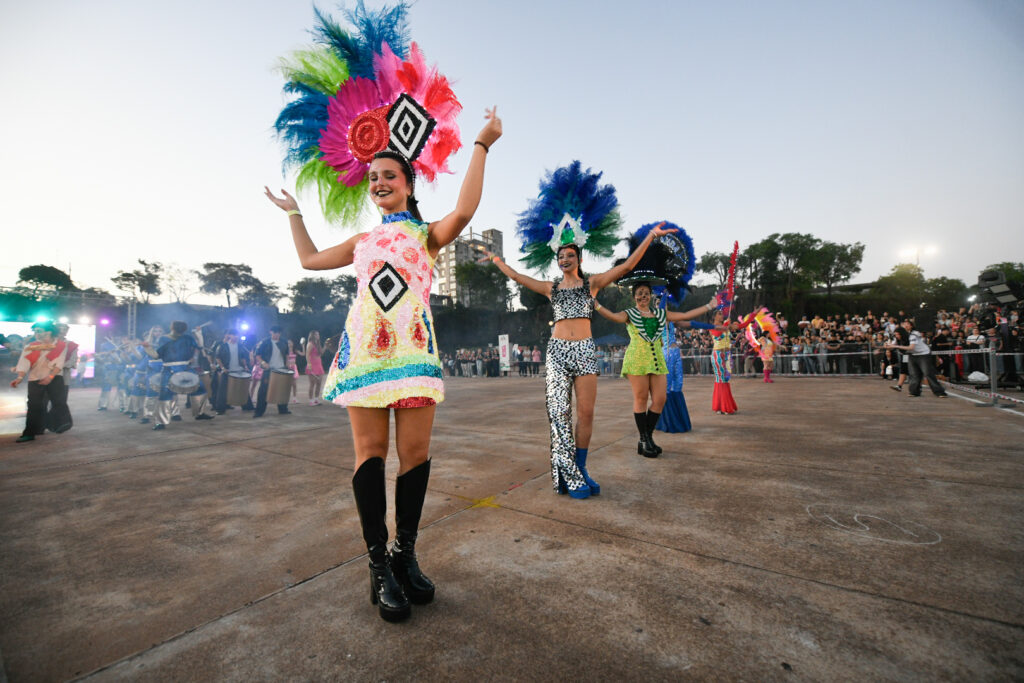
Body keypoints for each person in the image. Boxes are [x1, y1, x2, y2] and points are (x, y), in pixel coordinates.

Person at [266, 106, 501, 623]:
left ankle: (406, 553)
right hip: (365, 355)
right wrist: (293, 213)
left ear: (409, 184)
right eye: (372, 178)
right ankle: (377, 566)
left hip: (414, 355)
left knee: (414, 457)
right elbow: (308, 261)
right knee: (370, 456)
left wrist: (481, 145)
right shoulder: (362, 242)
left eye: (389, 175)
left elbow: (465, 209)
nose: (378, 183)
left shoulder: (427, 235)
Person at [491, 226, 673, 496]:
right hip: (558, 352)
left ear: (579, 259)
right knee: (559, 414)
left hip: (585, 350)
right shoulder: (550, 288)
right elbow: (518, 276)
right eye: (560, 257)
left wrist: (651, 237)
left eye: (569, 256)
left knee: (586, 413)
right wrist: (496, 260)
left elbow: (628, 265)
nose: (564, 260)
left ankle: (581, 468)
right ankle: (568, 475)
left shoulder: (593, 284)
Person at [594, 282, 720, 457]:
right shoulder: (630, 314)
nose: (643, 296)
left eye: (646, 293)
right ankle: (645, 440)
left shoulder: (661, 314)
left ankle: (646, 438)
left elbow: (685, 314)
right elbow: (613, 316)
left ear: (651, 296)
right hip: (637, 360)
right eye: (639, 293)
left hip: (657, 360)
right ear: (634, 296)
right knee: (641, 398)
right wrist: (597, 305)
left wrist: (708, 306)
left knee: (660, 399)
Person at [145, 321, 215, 430]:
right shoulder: (182, 338)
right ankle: (198, 414)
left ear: (171, 327)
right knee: (199, 389)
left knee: (167, 395)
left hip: (176, 369)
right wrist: (198, 334)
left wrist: (147, 348)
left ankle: (161, 422)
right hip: (178, 368)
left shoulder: (167, 338)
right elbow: (200, 347)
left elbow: (155, 355)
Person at [11, 320, 71, 442]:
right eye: (35, 331)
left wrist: (50, 377)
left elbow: (59, 364)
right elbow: (24, 364)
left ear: (49, 332)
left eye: (39, 331)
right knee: (33, 406)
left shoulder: (61, 345)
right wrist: (20, 378)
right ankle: (29, 433)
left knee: (59, 403)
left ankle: (60, 424)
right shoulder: (30, 347)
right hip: (35, 379)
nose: (36, 333)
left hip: (55, 378)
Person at [888, 319, 948, 398]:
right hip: (912, 355)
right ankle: (914, 392)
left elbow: (911, 347)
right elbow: (892, 345)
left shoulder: (913, 334)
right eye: (895, 335)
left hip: (923, 354)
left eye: (897, 334)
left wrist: (895, 346)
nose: (896, 336)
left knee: (927, 373)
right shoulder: (899, 338)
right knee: (914, 374)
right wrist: (887, 346)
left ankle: (939, 392)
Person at [709, 311, 753, 414]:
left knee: (725, 380)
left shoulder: (727, 325)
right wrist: (725, 324)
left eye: (721, 314)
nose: (722, 315)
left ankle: (721, 406)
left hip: (727, 355)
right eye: (719, 314)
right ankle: (723, 407)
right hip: (718, 354)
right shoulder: (712, 326)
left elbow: (743, 325)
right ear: (714, 316)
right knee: (721, 379)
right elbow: (717, 333)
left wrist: (753, 314)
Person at [252, 326, 292, 418]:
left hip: (281, 369)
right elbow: (257, 355)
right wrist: (263, 362)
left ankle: (283, 409)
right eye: (275, 332)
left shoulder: (284, 342)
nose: (277, 334)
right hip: (269, 370)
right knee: (264, 391)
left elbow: (286, 354)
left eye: (278, 333)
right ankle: (259, 411)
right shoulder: (264, 342)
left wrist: (287, 364)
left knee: (282, 390)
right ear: (270, 332)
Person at [213, 329, 253, 413]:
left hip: (239, 369)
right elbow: (218, 358)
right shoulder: (223, 346)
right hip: (228, 370)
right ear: (229, 335)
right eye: (234, 335)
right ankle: (220, 409)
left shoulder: (240, 346)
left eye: (237, 335)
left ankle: (247, 406)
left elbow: (242, 358)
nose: (236, 337)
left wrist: (245, 366)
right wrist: (223, 368)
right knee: (222, 391)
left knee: (243, 388)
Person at [305, 330, 325, 405]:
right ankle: (311, 400)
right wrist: (309, 364)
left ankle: (316, 399)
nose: (318, 336)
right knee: (312, 383)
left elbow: (321, 353)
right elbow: (307, 354)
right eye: (316, 334)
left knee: (319, 382)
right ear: (312, 335)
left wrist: (325, 346)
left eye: (318, 334)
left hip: (318, 364)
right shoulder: (310, 344)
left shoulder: (317, 344)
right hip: (312, 364)